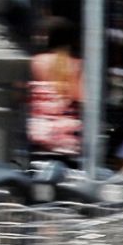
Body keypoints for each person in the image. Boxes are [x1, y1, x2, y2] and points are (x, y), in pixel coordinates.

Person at [27, 17, 84, 156]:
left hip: (33, 131)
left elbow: (20, 95)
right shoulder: (76, 65)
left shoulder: (34, 62)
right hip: (65, 137)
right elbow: (80, 97)